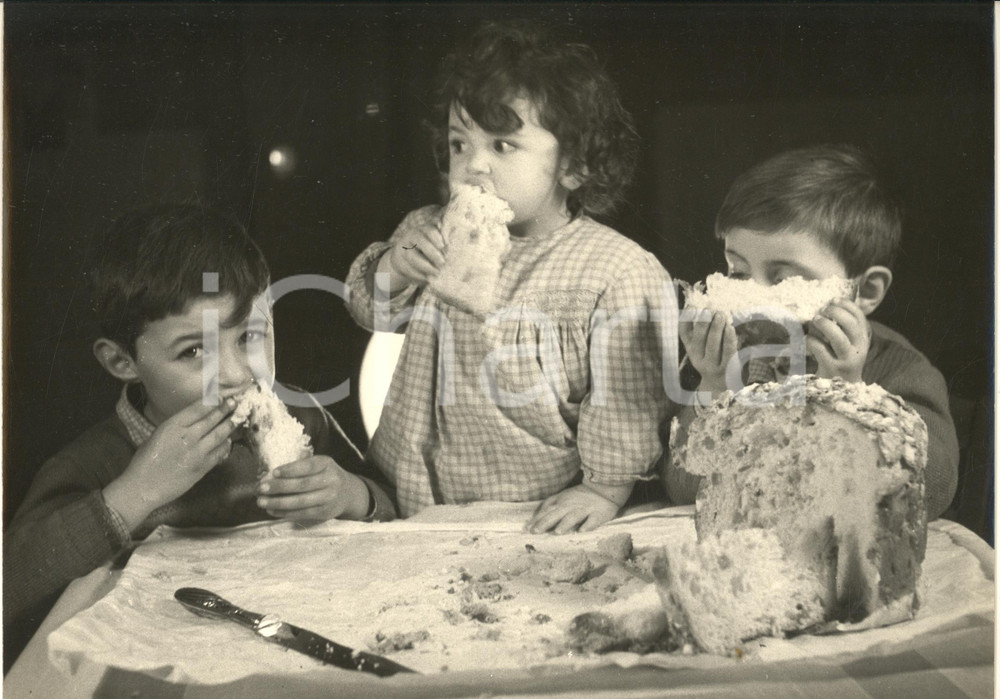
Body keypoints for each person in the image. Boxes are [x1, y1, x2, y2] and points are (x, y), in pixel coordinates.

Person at [3, 204, 396, 657]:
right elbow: (13, 585)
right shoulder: (92, 463)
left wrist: (351, 494)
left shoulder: (306, 419)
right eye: (193, 351)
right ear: (122, 361)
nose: (236, 374)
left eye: (250, 336)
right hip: (154, 655)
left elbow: (392, 506)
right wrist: (135, 492)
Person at [345, 21, 674, 533]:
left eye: (502, 146)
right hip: (409, 495)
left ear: (573, 165)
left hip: (527, 512)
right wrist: (396, 266)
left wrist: (604, 488)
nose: (473, 165)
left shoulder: (616, 271)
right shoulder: (428, 230)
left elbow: (627, 399)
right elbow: (370, 311)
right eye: (459, 143)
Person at [665, 145, 959, 520]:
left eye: (783, 279)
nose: (754, 297)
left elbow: (932, 490)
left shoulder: (903, 370)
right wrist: (714, 386)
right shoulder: (739, 360)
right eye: (739, 272)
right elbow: (682, 489)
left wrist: (847, 393)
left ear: (865, 291)